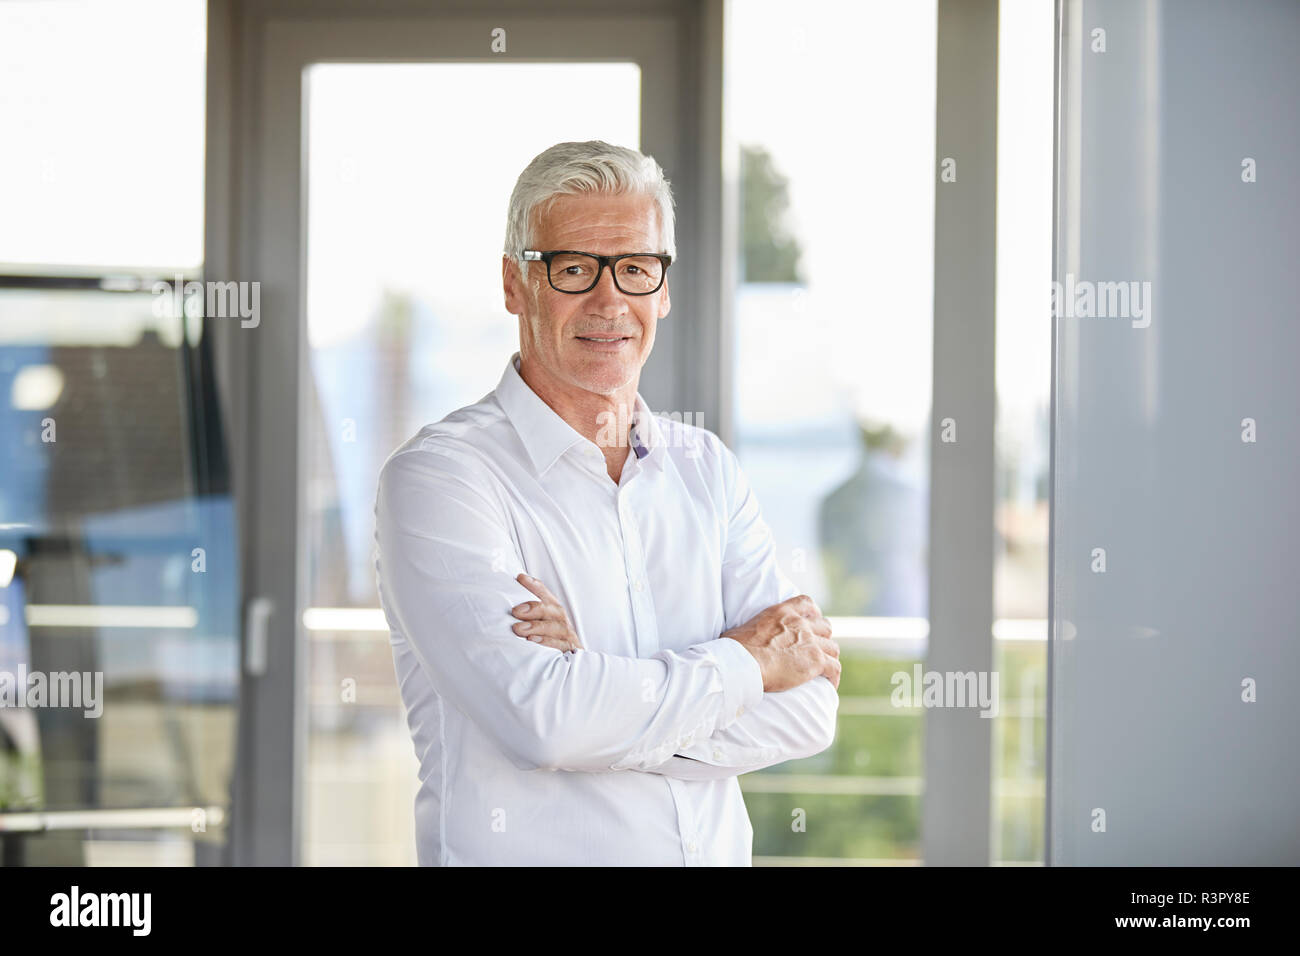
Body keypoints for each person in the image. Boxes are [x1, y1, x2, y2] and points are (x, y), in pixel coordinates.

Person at [373, 140, 840, 866]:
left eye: (635, 267)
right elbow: (547, 724)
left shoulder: (707, 471)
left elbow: (809, 710)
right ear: (514, 284)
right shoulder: (442, 480)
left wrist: (594, 680)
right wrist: (746, 666)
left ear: (664, 287)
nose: (609, 299)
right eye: (573, 268)